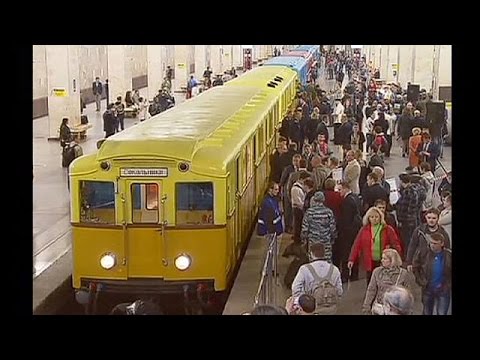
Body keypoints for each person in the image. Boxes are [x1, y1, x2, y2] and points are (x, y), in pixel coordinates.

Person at [348, 206, 402, 285]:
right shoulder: (363, 230)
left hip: (384, 261)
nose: (374, 219)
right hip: (369, 261)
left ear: (380, 217)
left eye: (376, 217)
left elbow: (396, 244)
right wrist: (351, 259)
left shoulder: (387, 229)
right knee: (370, 282)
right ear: (368, 218)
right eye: (372, 217)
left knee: (384, 283)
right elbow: (356, 245)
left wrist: (397, 258)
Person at [291, 243, 342, 315]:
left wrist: (303, 302)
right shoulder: (335, 269)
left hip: (312, 309)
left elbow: (295, 287)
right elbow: (339, 291)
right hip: (331, 309)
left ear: (311, 254)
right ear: (324, 253)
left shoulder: (304, 269)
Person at [362, 249, 414, 314]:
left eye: (385, 259)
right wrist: (366, 306)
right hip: (380, 308)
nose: (382, 260)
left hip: (395, 310)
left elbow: (407, 293)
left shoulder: (403, 273)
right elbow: (371, 290)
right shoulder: (377, 272)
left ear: (392, 260)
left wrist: (409, 310)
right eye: (382, 258)